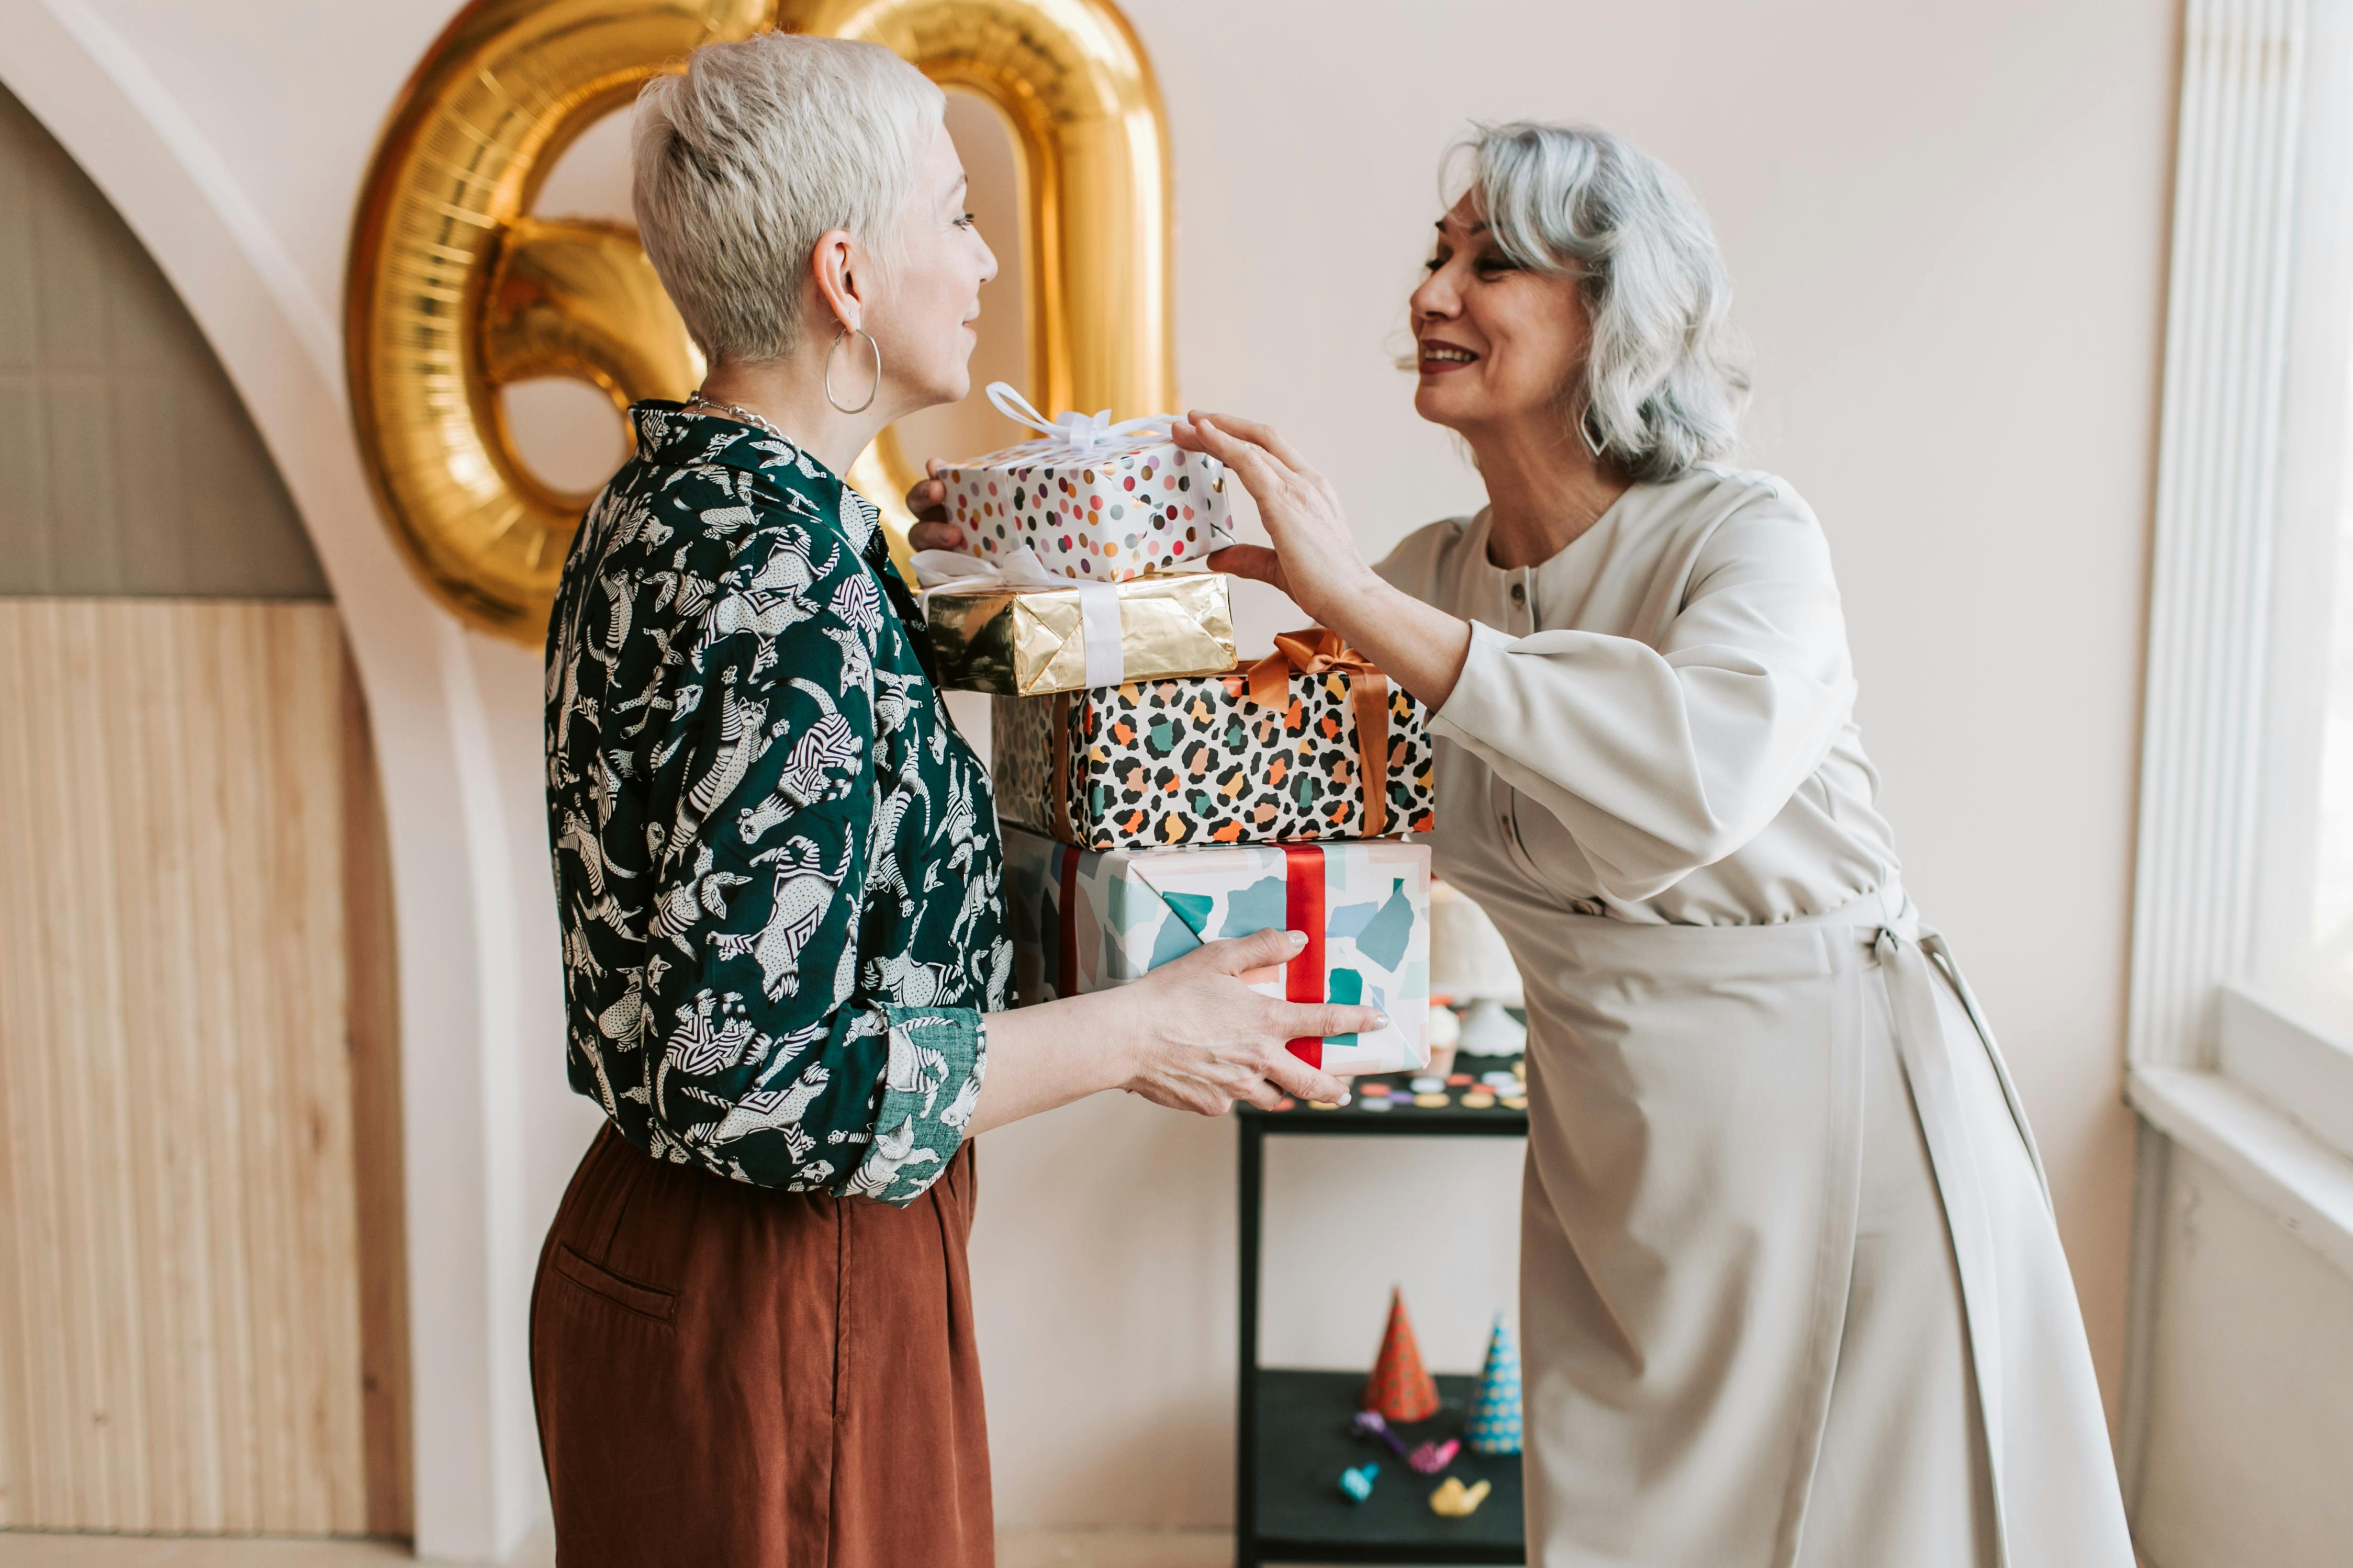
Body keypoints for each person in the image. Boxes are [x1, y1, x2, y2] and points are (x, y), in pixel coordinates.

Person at [924, 120, 2135, 1568]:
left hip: (1831, 1120)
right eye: (1438, 253)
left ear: (1614, 316)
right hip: (1614, 1149)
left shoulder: (1747, 538)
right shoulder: (1436, 577)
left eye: (1492, 260)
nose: (1436, 292)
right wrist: (1024, 557)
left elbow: (1698, 776)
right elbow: (1251, 782)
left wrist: (1357, 606)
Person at [534, 34, 1381, 1568]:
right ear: (845, 277)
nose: (987, 260)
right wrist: (1142, 1030)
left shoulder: (680, 502)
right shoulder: (778, 578)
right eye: (958, 212)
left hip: (673, 1260)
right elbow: (759, 1079)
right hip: (784, 1297)